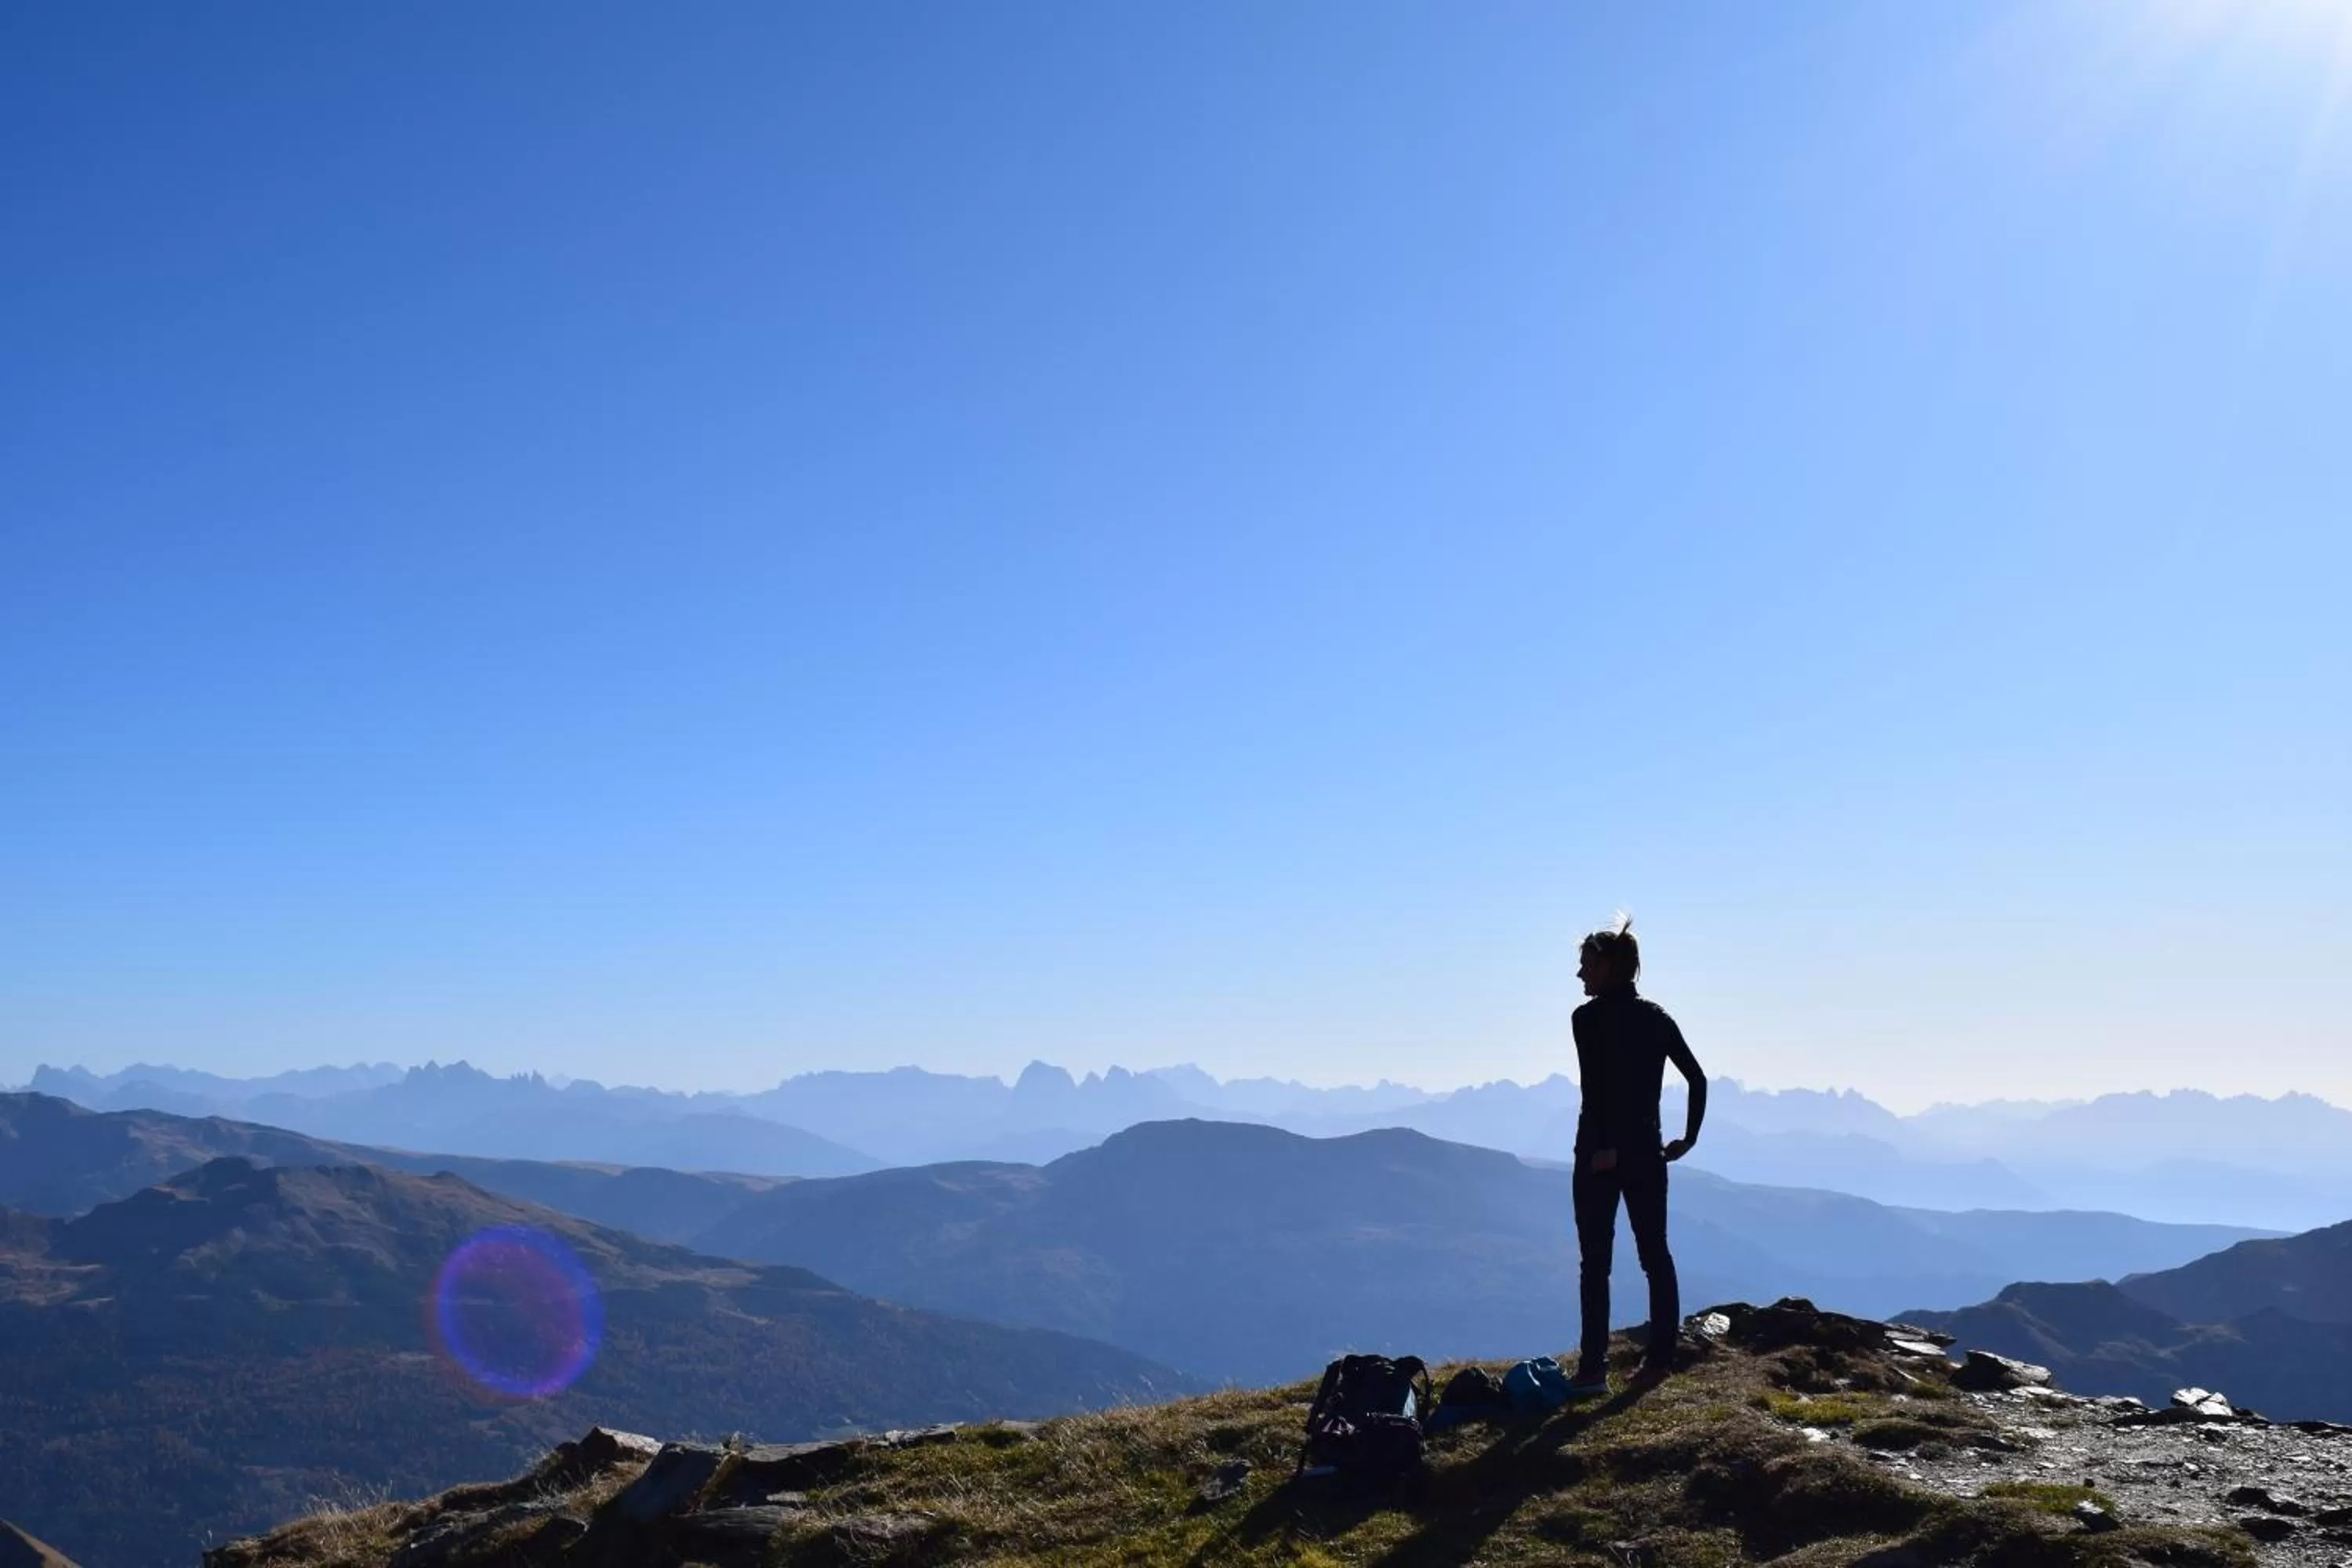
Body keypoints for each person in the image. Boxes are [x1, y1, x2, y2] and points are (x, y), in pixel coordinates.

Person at [1566, 916, 1706, 1396]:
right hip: (1649, 1150)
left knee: (1595, 1264)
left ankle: (1592, 1370)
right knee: (1655, 1255)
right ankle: (1660, 1361)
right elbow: (1698, 1080)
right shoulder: (1659, 1018)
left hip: (1599, 1152)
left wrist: (1606, 1148)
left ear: (1608, 966)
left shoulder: (1586, 1020)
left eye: (1585, 964)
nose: (1580, 975)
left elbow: (1598, 1090)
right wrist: (1687, 1139)